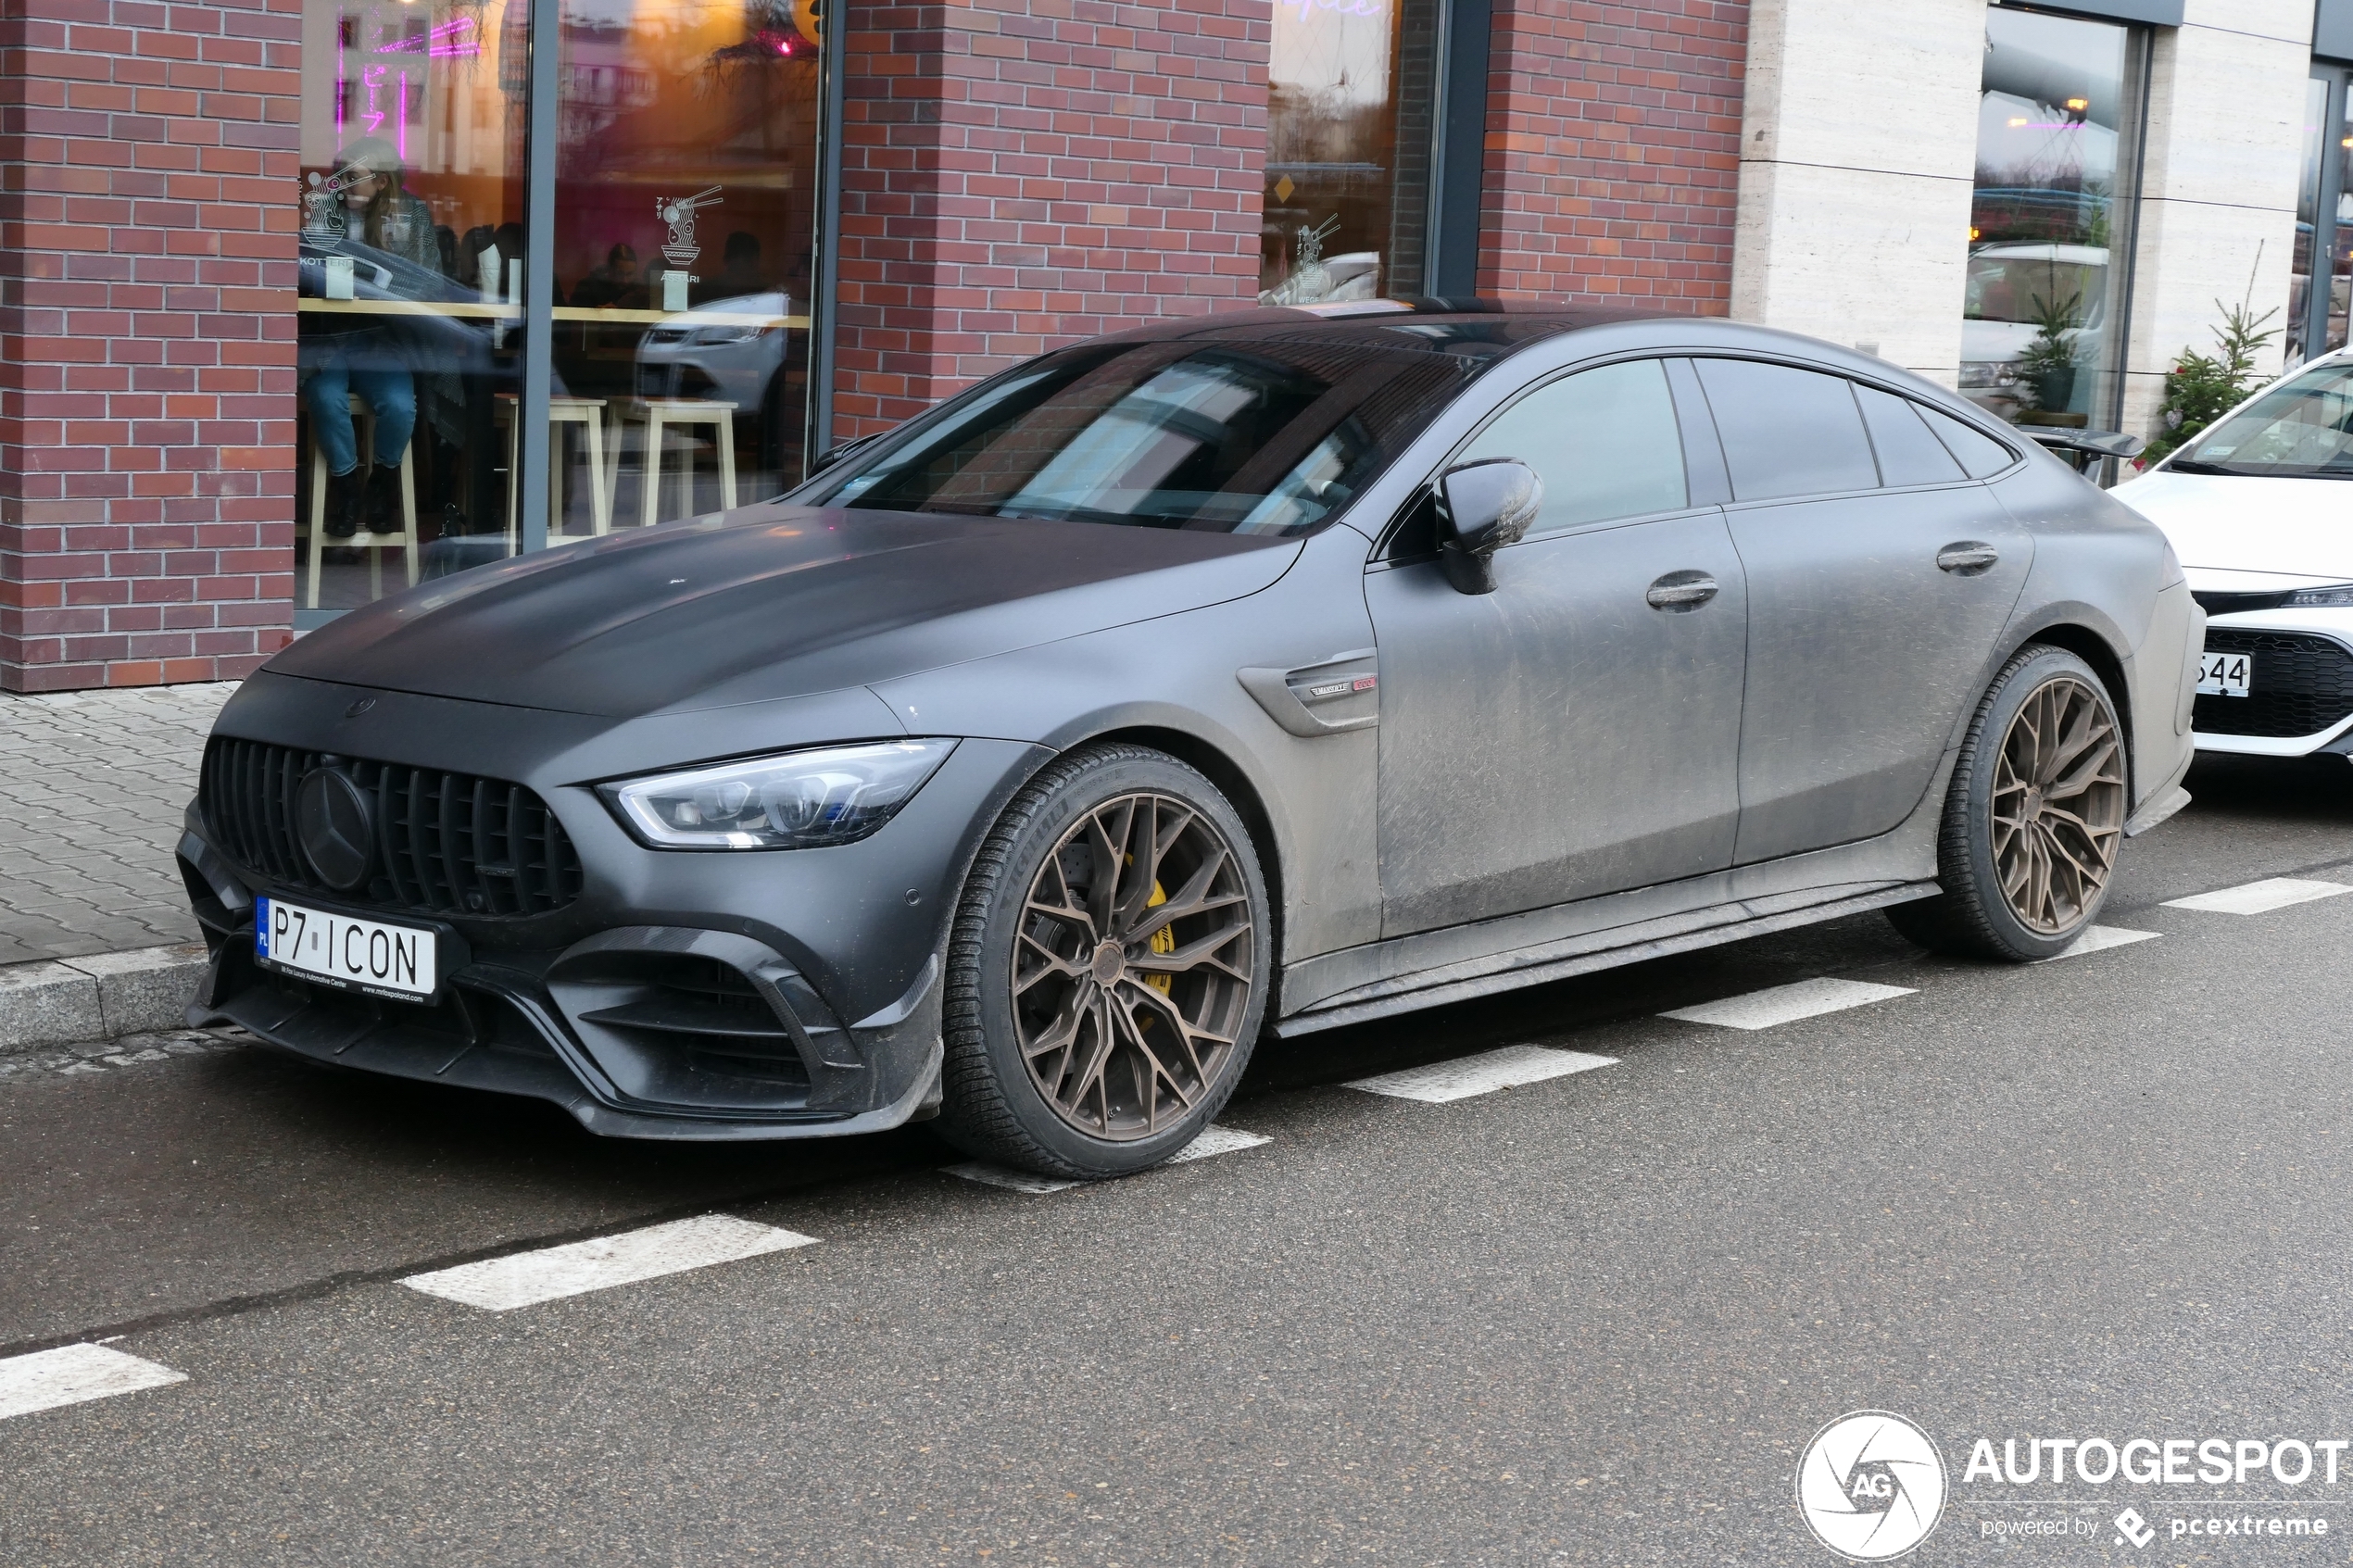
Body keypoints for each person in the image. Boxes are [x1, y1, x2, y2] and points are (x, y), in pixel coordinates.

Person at [300, 138, 440, 537]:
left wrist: (383, 288)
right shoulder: (325, 210)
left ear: (381, 182)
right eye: (339, 175)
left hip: (382, 337)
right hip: (328, 335)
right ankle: (347, 488)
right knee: (325, 398)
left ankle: (381, 483)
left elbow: (427, 279)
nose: (343, 184)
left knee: (399, 406)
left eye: (353, 177)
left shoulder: (409, 216)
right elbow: (303, 264)